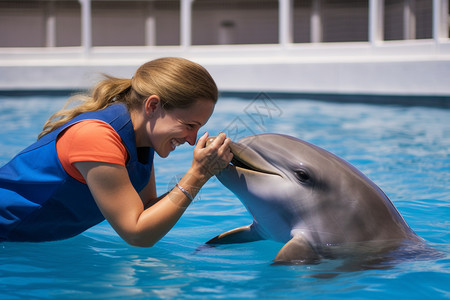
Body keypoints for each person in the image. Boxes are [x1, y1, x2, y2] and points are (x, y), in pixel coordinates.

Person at [0, 57, 233, 246]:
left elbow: (147, 213)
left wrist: (200, 175)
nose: (192, 140)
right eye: (189, 125)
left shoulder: (141, 142)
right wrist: (198, 174)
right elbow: (137, 234)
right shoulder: (96, 137)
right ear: (152, 106)